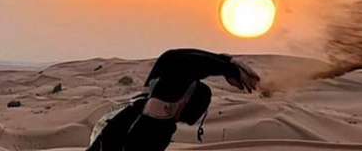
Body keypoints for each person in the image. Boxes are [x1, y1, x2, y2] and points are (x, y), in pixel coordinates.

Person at [87, 49, 261, 151]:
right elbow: (178, 64)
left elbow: (170, 59)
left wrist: (226, 64)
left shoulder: (142, 104)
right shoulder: (157, 118)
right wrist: (227, 65)